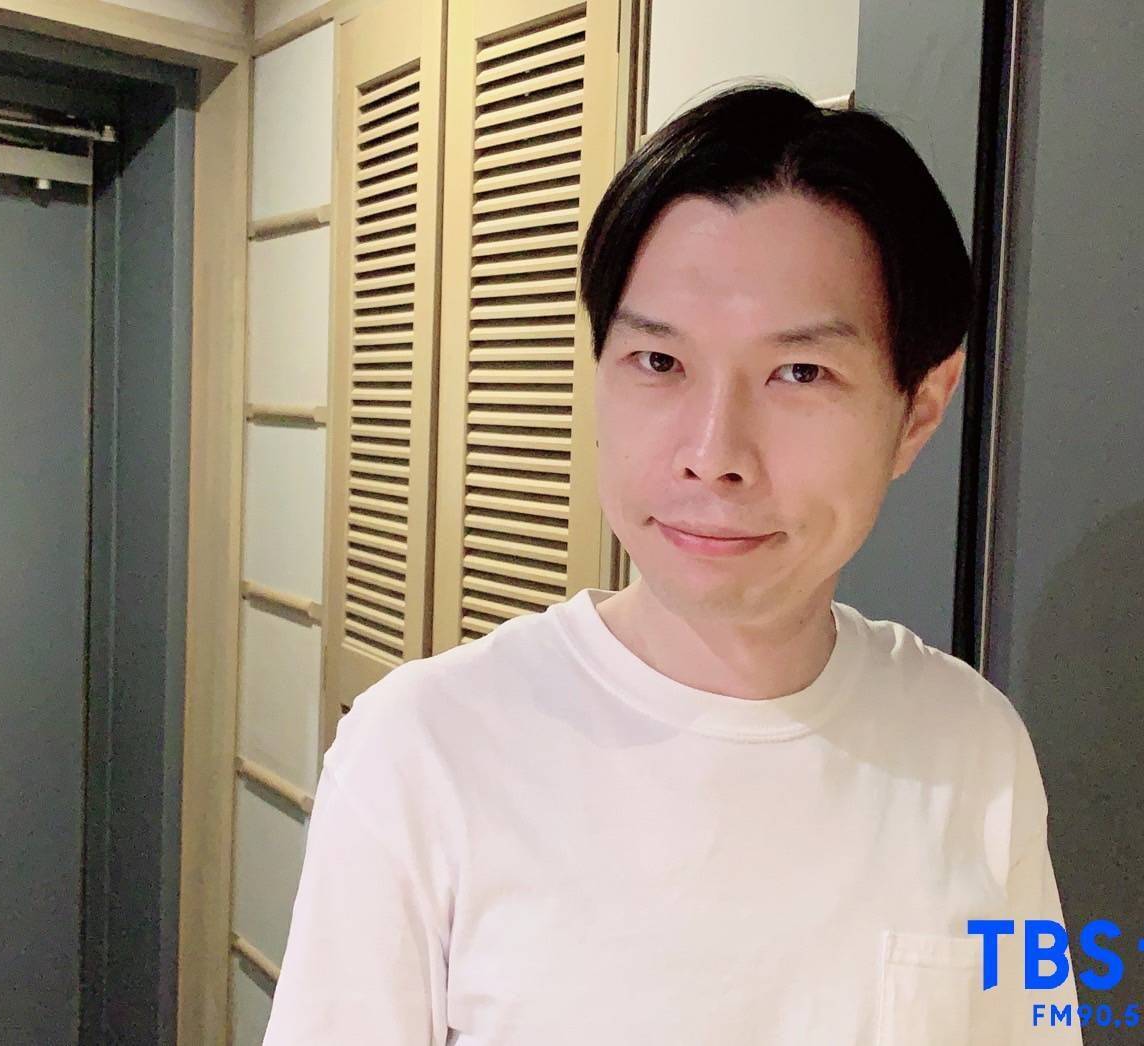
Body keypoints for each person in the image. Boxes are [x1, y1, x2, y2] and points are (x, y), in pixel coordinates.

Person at [262, 81, 1081, 1044]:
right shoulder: (424, 753)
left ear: (919, 412)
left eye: (800, 372)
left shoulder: (974, 749)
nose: (712, 452)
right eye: (659, 364)